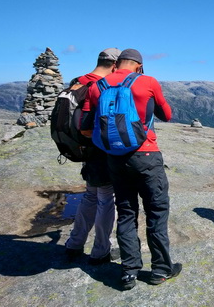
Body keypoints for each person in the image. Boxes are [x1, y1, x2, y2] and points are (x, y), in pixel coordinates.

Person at [82, 49, 181, 290]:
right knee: (156, 211)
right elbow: (167, 115)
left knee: (126, 212)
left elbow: (87, 125)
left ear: (117, 64)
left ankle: (129, 271)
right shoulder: (147, 82)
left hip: (115, 158)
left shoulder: (98, 87)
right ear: (139, 65)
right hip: (147, 155)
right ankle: (160, 270)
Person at [65, 48, 121, 265]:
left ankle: (74, 244)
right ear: (115, 65)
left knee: (90, 196)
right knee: (107, 199)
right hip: (101, 150)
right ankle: (100, 251)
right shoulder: (103, 86)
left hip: (85, 150)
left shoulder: (78, 81)